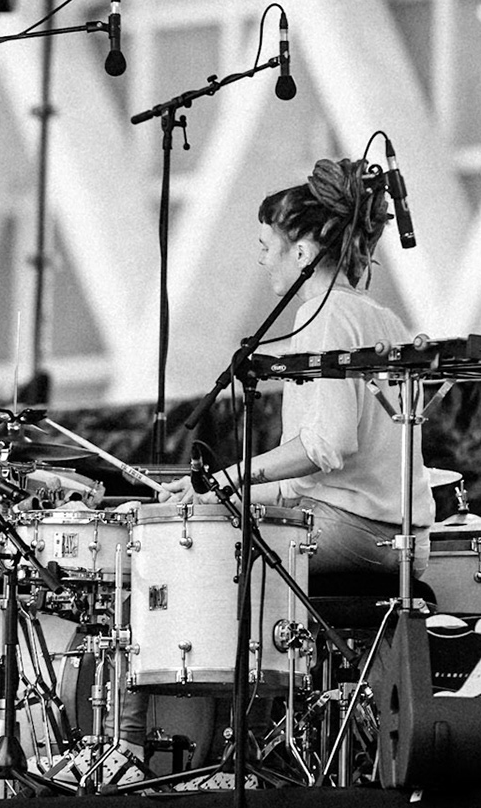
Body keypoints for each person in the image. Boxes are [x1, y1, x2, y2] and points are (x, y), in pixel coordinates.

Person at [159, 156, 434, 580]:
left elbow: (325, 447)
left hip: (348, 533)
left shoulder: (325, 316)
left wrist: (228, 478)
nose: (263, 261)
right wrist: (210, 492)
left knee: (199, 554)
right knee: (213, 521)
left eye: (267, 248)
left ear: (302, 251)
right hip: (402, 542)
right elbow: (306, 482)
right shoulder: (383, 318)